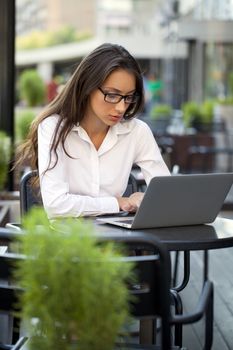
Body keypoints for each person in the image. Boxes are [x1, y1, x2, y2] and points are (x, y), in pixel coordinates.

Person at [16, 43, 170, 219]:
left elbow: (167, 194)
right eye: (112, 95)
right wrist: (118, 202)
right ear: (87, 86)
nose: (121, 107)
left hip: (118, 240)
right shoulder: (53, 128)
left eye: (128, 97)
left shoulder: (137, 132)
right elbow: (57, 206)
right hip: (69, 240)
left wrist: (146, 200)